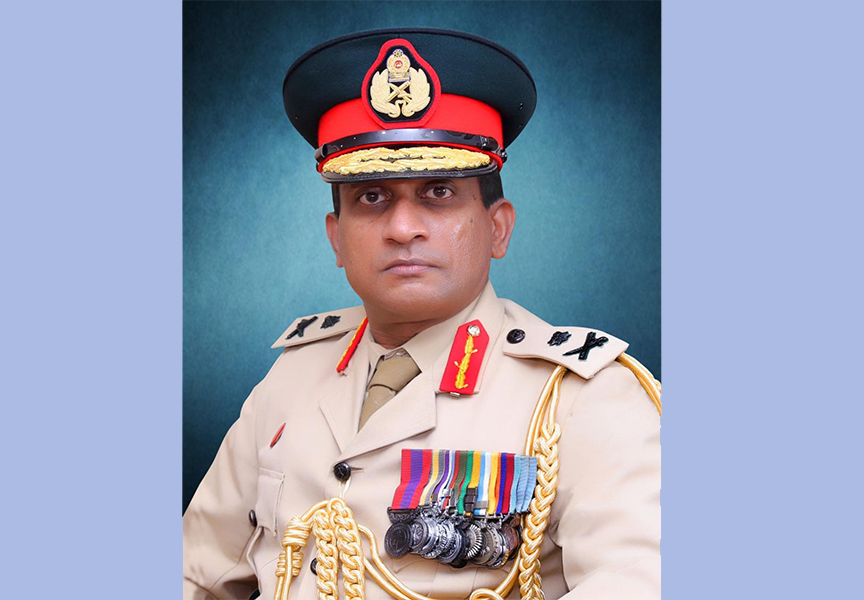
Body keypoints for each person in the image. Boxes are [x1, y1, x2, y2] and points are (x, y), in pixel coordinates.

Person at [183, 28, 661, 600]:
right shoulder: (289, 378)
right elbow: (195, 571)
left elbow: (636, 585)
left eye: (438, 193)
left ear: (497, 227)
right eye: (372, 197)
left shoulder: (585, 397)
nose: (402, 227)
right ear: (336, 240)